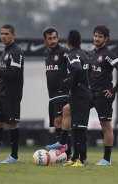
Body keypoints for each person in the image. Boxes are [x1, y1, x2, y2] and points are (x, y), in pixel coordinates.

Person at [87, 25, 118, 166]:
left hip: (103, 95)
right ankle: (73, 155)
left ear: (106, 39)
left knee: (105, 125)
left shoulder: (108, 54)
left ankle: (106, 159)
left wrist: (114, 89)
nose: (97, 38)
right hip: (90, 94)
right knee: (71, 112)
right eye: (95, 35)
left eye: (100, 36)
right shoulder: (90, 54)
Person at [0, 24, 24, 164]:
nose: (3, 36)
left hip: (12, 94)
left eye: (6, 34)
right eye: (1, 34)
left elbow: (14, 73)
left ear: (13, 36)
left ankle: (14, 156)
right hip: (2, 93)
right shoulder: (5, 52)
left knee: (11, 123)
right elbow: (5, 75)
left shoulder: (15, 51)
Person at [62, 30, 91, 167]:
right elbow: (88, 71)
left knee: (79, 127)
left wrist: (72, 86)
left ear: (68, 43)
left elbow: (77, 69)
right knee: (77, 127)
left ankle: (82, 159)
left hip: (79, 94)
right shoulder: (84, 54)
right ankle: (75, 158)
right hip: (84, 92)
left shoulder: (72, 55)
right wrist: (84, 83)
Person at [42, 27, 72, 159]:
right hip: (52, 94)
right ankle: (63, 153)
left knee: (60, 121)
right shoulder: (46, 53)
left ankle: (68, 153)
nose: (53, 41)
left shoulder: (64, 52)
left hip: (63, 92)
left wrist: (69, 83)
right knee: (56, 124)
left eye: (55, 38)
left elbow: (75, 65)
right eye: (50, 38)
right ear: (45, 40)